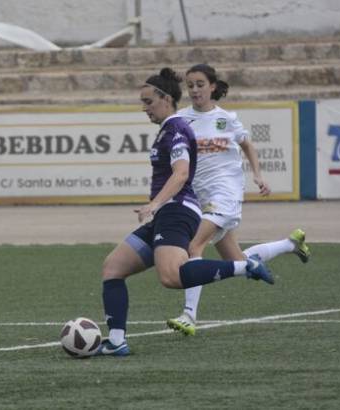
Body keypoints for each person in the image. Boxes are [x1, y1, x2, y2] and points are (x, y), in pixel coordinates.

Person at [96, 68, 273, 357]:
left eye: (148, 101)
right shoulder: (170, 127)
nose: (144, 108)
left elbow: (180, 174)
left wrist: (154, 204)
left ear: (166, 99)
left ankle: (245, 266)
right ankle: (116, 342)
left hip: (177, 211)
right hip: (168, 213)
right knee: (112, 268)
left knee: (172, 277)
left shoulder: (176, 128)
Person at [166, 64, 311, 336]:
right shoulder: (181, 119)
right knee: (238, 259)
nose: (195, 89)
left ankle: (189, 315)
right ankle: (291, 244)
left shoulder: (227, 119)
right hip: (201, 198)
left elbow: (247, 145)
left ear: (212, 86)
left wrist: (258, 176)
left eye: (200, 84)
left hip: (226, 193)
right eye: (190, 85)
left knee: (194, 246)